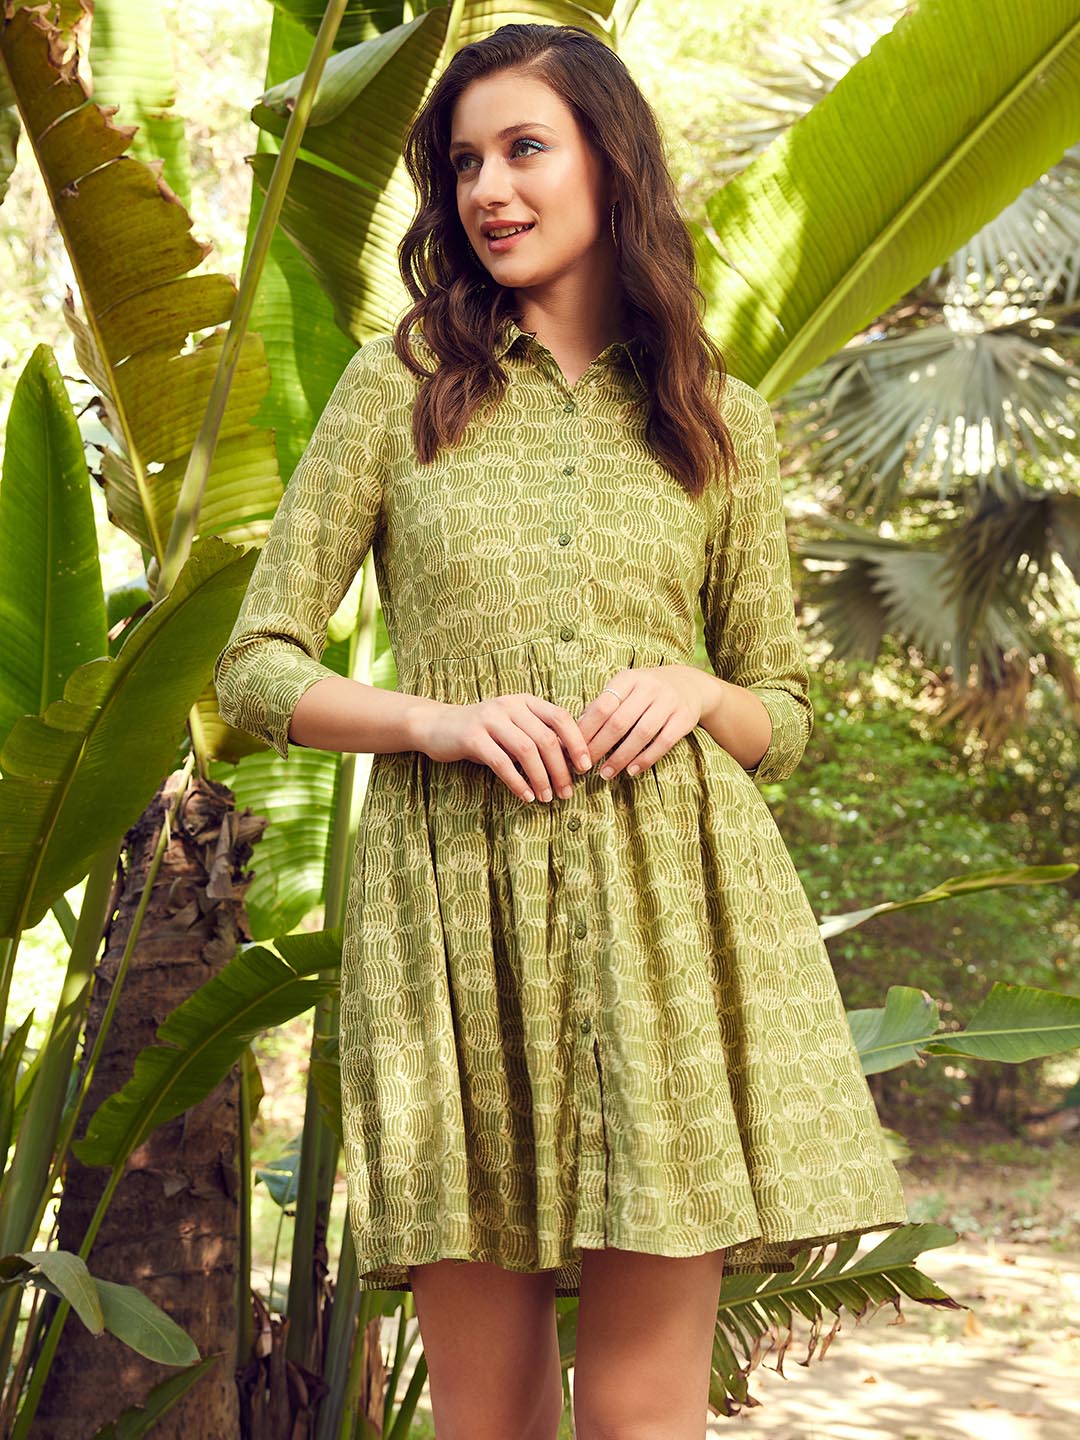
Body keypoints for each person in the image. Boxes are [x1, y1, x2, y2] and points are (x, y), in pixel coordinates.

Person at [214, 21, 909, 1440]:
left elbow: (786, 711)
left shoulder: (719, 418)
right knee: (492, 1422)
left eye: (524, 148)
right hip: (454, 925)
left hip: (672, 929)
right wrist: (434, 720)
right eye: (464, 163)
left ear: (612, 163)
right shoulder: (396, 390)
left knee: (645, 1416)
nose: (489, 188)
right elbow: (256, 669)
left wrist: (701, 695)